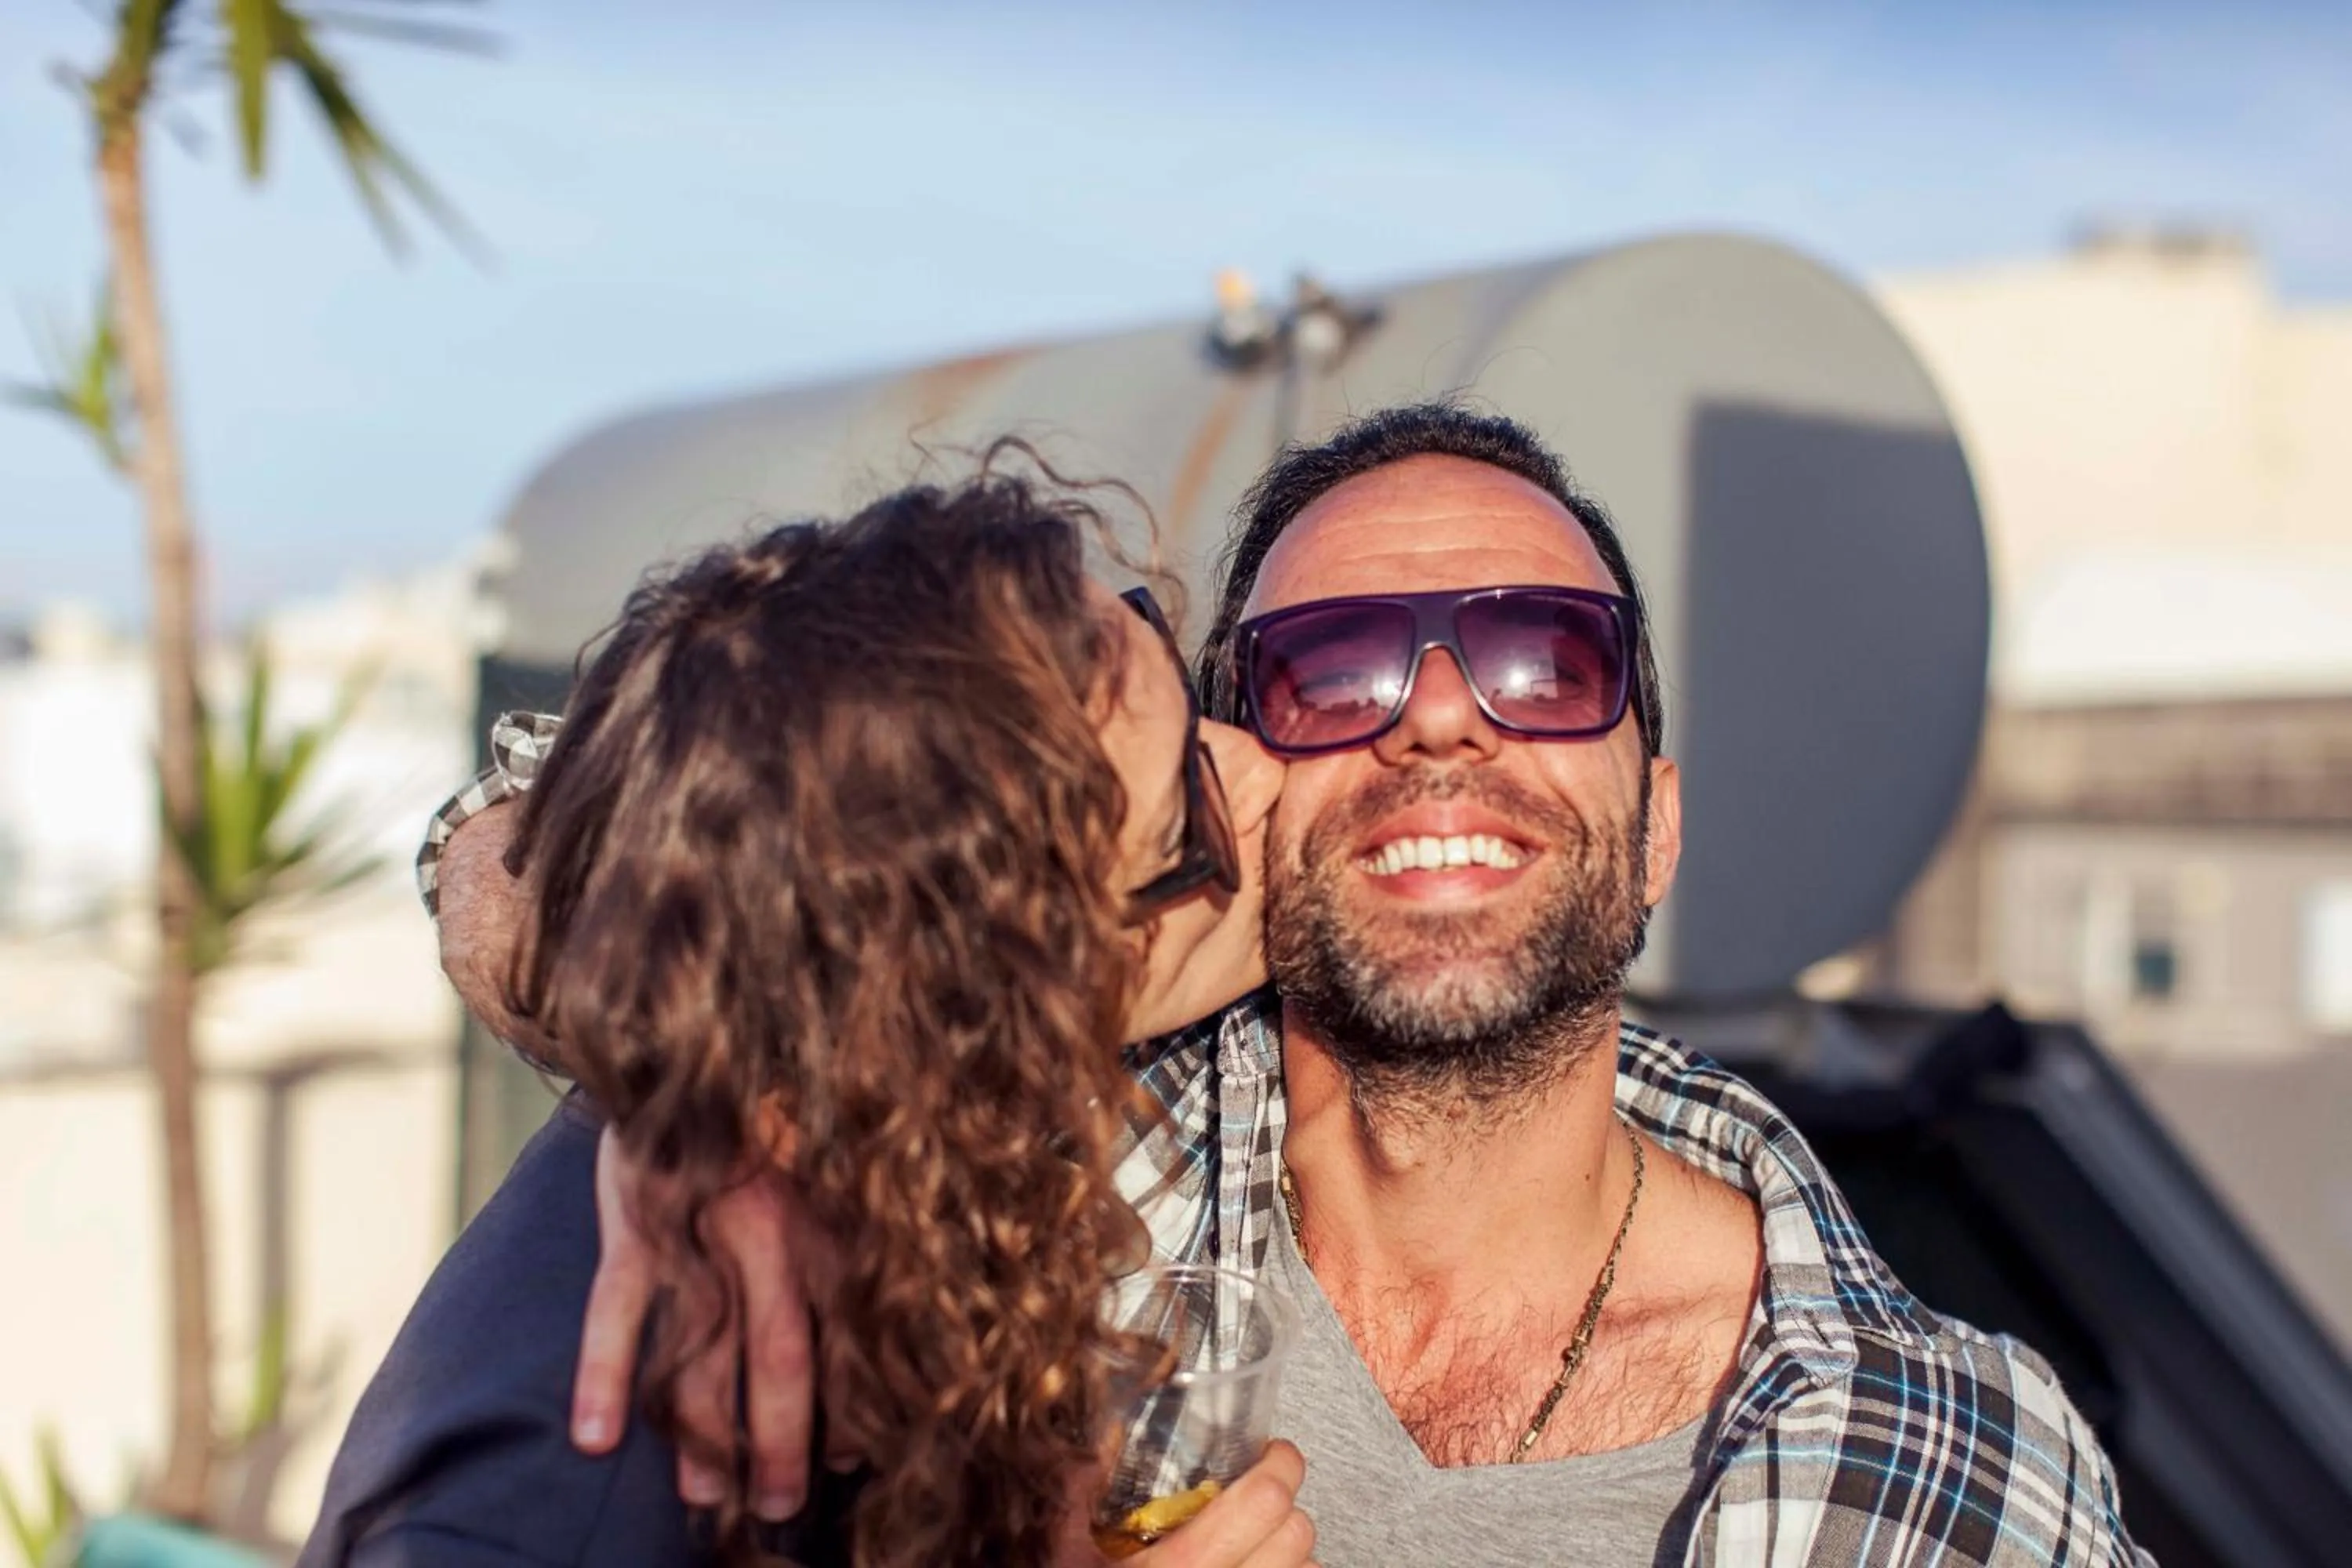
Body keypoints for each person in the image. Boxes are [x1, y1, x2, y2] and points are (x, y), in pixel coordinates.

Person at [353, 403, 2151, 1566]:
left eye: (1544, 660)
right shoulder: (1014, 1136)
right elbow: (632, 821)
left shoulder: (1964, 1460)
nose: (1439, 717)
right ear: (1239, 782)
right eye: (1329, 670)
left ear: (1660, 824)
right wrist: (734, 1079)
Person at [297, 456, 1317, 1567]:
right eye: (1189, 807)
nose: (1261, 772)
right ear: (988, 975)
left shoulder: (890, 1203)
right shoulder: (569, 1476)